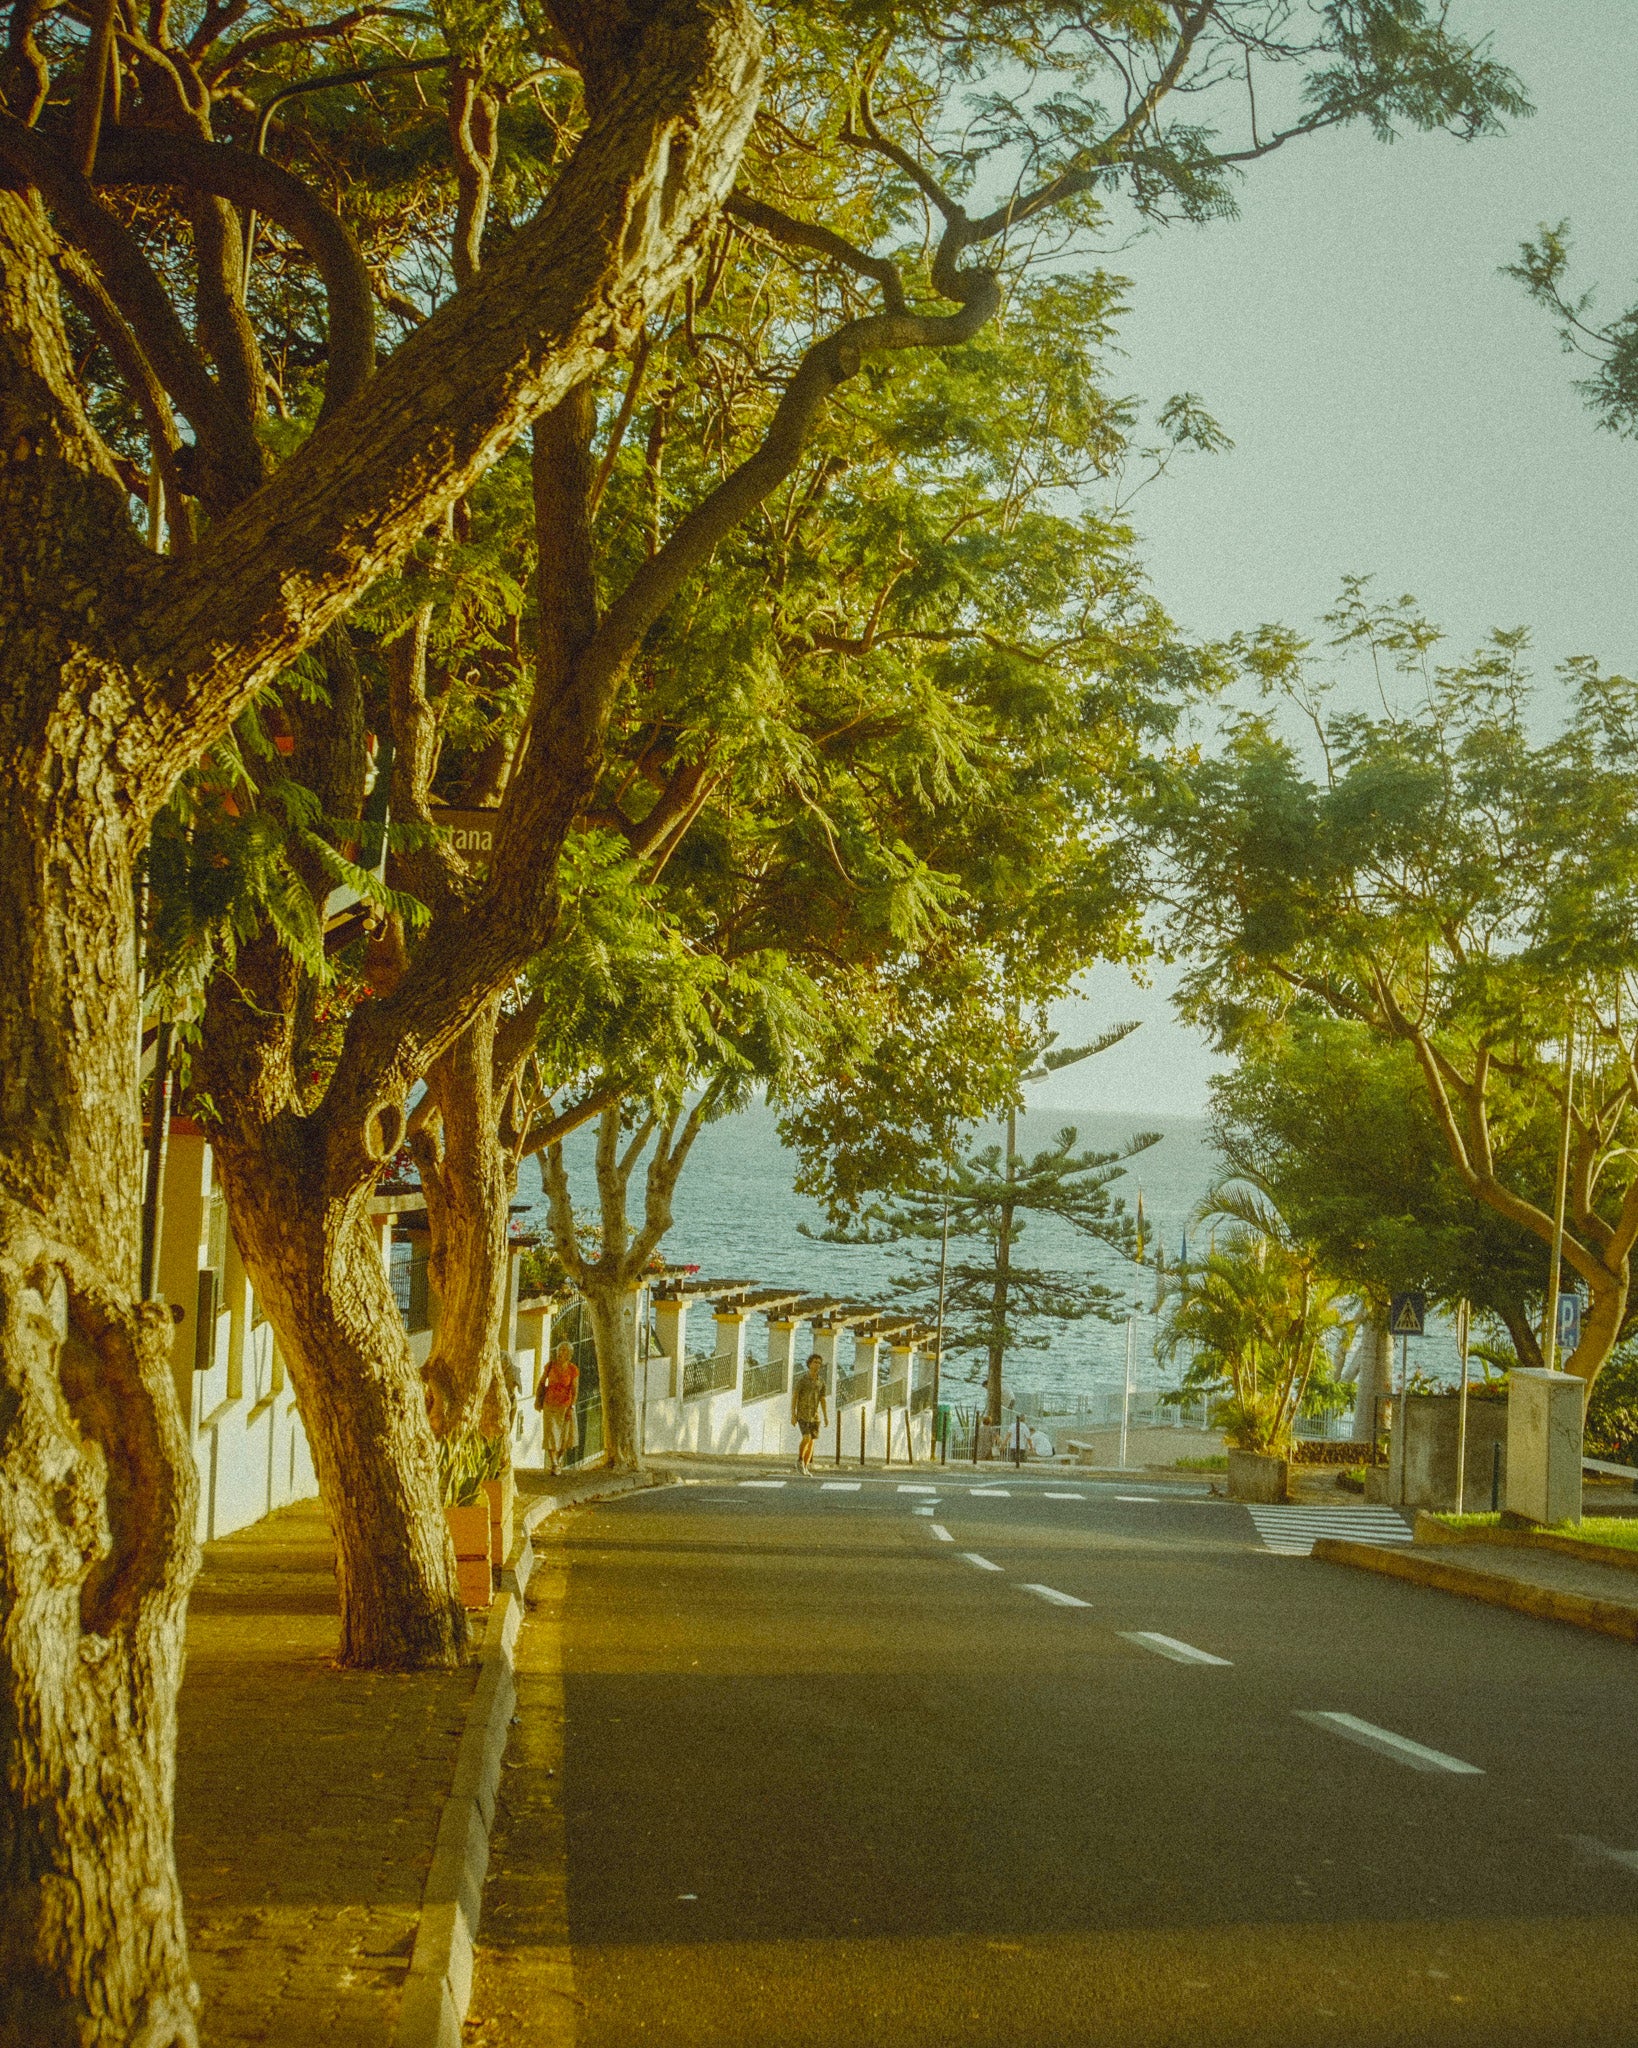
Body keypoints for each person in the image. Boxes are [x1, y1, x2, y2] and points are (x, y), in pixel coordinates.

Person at [535, 1341, 580, 1476]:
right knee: (551, 1435)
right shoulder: (550, 1366)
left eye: (564, 1351)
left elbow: (575, 1390)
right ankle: (554, 1463)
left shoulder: (573, 1370)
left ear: (569, 1355)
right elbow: (542, 1382)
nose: (561, 1353)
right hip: (550, 1404)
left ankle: (559, 1460)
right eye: (560, 1350)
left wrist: (572, 1407)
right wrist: (539, 1397)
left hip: (565, 1406)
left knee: (564, 1437)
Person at [791, 1352, 829, 1475]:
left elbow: (822, 1399)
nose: (817, 1365)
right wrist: (793, 1414)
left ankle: (805, 1467)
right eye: (814, 1362)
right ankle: (800, 1459)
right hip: (803, 1414)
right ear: (809, 1364)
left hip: (814, 1416)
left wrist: (825, 1416)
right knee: (806, 1437)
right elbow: (795, 1396)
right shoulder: (803, 1380)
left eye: (819, 1363)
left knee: (812, 1441)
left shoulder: (821, 1382)